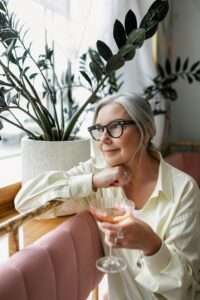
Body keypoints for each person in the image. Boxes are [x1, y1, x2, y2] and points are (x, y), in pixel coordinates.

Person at [15, 93, 200, 300]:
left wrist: (151, 245)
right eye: (99, 129)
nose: (104, 138)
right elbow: (25, 201)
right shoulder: (98, 173)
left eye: (115, 126)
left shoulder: (184, 190)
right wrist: (92, 181)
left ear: (145, 131)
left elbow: (186, 292)